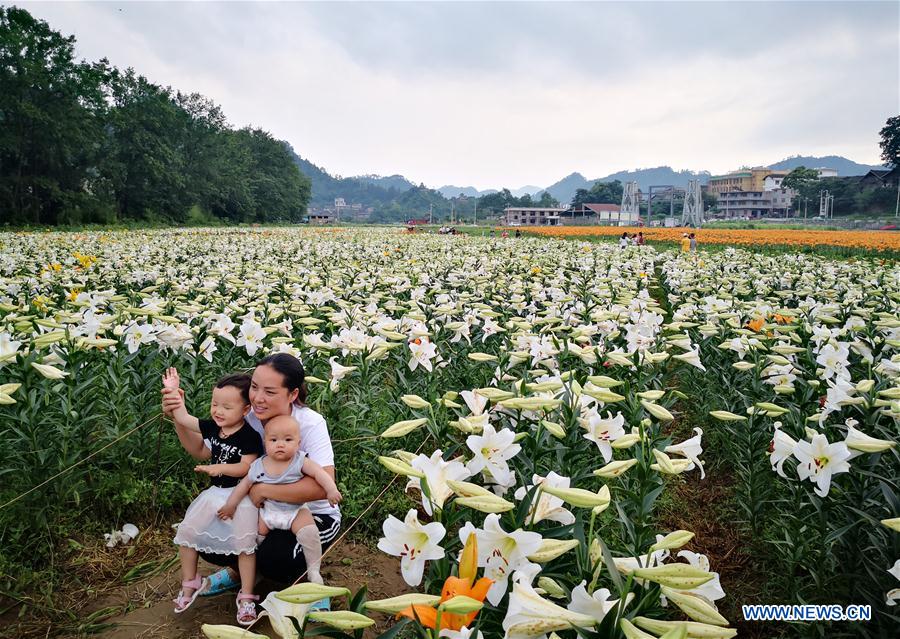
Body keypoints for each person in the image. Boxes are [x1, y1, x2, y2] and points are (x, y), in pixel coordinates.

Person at [162, 353, 340, 608]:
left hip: (310, 514)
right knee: (206, 532)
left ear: (292, 394)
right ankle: (243, 573)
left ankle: (309, 585)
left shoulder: (309, 424)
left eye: (269, 391)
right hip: (262, 512)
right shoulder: (247, 415)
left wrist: (263, 490)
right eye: (254, 387)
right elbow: (203, 451)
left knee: (277, 559)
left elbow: (322, 487)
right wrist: (177, 419)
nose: (257, 397)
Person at [167, 371, 262, 623]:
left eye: (226, 407)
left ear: (245, 410)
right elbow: (184, 419)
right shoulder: (213, 427)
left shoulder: (250, 436)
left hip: (240, 497)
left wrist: (218, 468)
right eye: (214, 404)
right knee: (187, 534)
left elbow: (246, 468)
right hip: (214, 495)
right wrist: (174, 394)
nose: (218, 411)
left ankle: (247, 596)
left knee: (245, 547)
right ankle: (190, 582)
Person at [219, 414, 342, 586]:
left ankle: (313, 571)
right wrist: (230, 506)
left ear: (298, 443)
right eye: (274, 440)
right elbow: (244, 486)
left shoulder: (299, 460)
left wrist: (331, 489)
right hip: (268, 512)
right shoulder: (258, 465)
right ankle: (252, 572)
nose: (280, 444)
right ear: (265, 442)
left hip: (295, 511)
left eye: (288, 439)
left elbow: (320, 474)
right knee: (253, 539)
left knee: (308, 532)